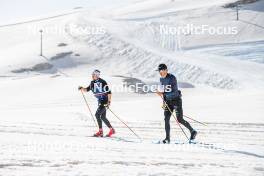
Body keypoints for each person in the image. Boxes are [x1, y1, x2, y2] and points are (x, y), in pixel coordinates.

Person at [156, 64, 197, 144]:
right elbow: (164, 92)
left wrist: (161, 93)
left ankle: (193, 131)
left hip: (176, 101)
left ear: (165, 70)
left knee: (179, 119)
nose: (160, 73)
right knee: (166, 119)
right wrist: (164, 102)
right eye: (159, 71)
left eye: (161, 71)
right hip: (168, 101)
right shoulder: (161, 79)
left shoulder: (172, 78)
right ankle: (167, 138)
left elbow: (171, 91)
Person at [79, 69, 115, 137]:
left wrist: (109, 102)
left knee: (97, 115)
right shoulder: (92, 82)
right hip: (100, 101)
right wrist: (81, 88)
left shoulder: (103, 82)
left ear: (97, 75)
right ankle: (111, 130)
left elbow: (109, 92)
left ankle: (100, 132)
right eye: (92, 75)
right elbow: (87, 90)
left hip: (104, 101)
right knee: (103, 117)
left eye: (93, 75)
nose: (92, 76)